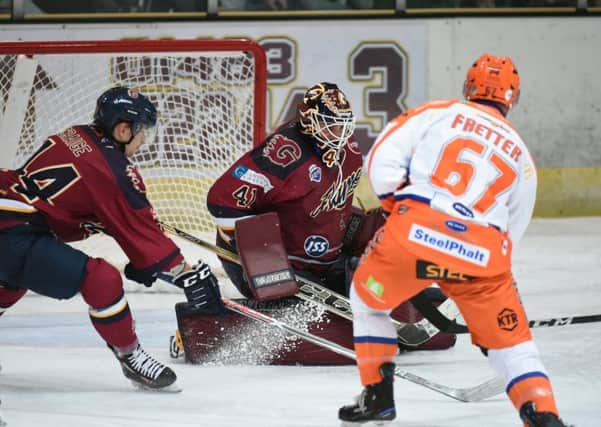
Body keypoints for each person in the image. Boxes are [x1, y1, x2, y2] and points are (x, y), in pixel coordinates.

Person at [338, 54, 571, 427]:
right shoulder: (522, 155)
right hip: (482, 255)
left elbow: (381, 161)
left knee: (367, 301)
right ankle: (543, 415)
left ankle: (377, 395)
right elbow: (513, 228)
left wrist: (399, 208)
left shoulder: (437, 112)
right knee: (511, 345)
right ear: (513, 98)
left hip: (415, 233)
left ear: (468, 89)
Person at [170, 82, 454, 366]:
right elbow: (222, 199)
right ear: (309, 120)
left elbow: (348, 200)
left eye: (343, 125)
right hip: (278, 267)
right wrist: (262, 260)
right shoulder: (285, 154)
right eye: (331, 125)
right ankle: (198, 330)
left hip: (324, 257)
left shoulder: (348, 149)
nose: (340, 133)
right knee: (346, 339)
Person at [0, 86, 224, 391]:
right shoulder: (115, 172)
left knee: (12, 283)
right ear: (122, 129)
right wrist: (185, 275)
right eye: (142, 131)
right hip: (13, 233)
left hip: (9, 210)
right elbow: (144, 236)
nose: (144, 139)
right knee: (101, 279)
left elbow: (73, 201)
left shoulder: (77, 134)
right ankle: (131, 356)